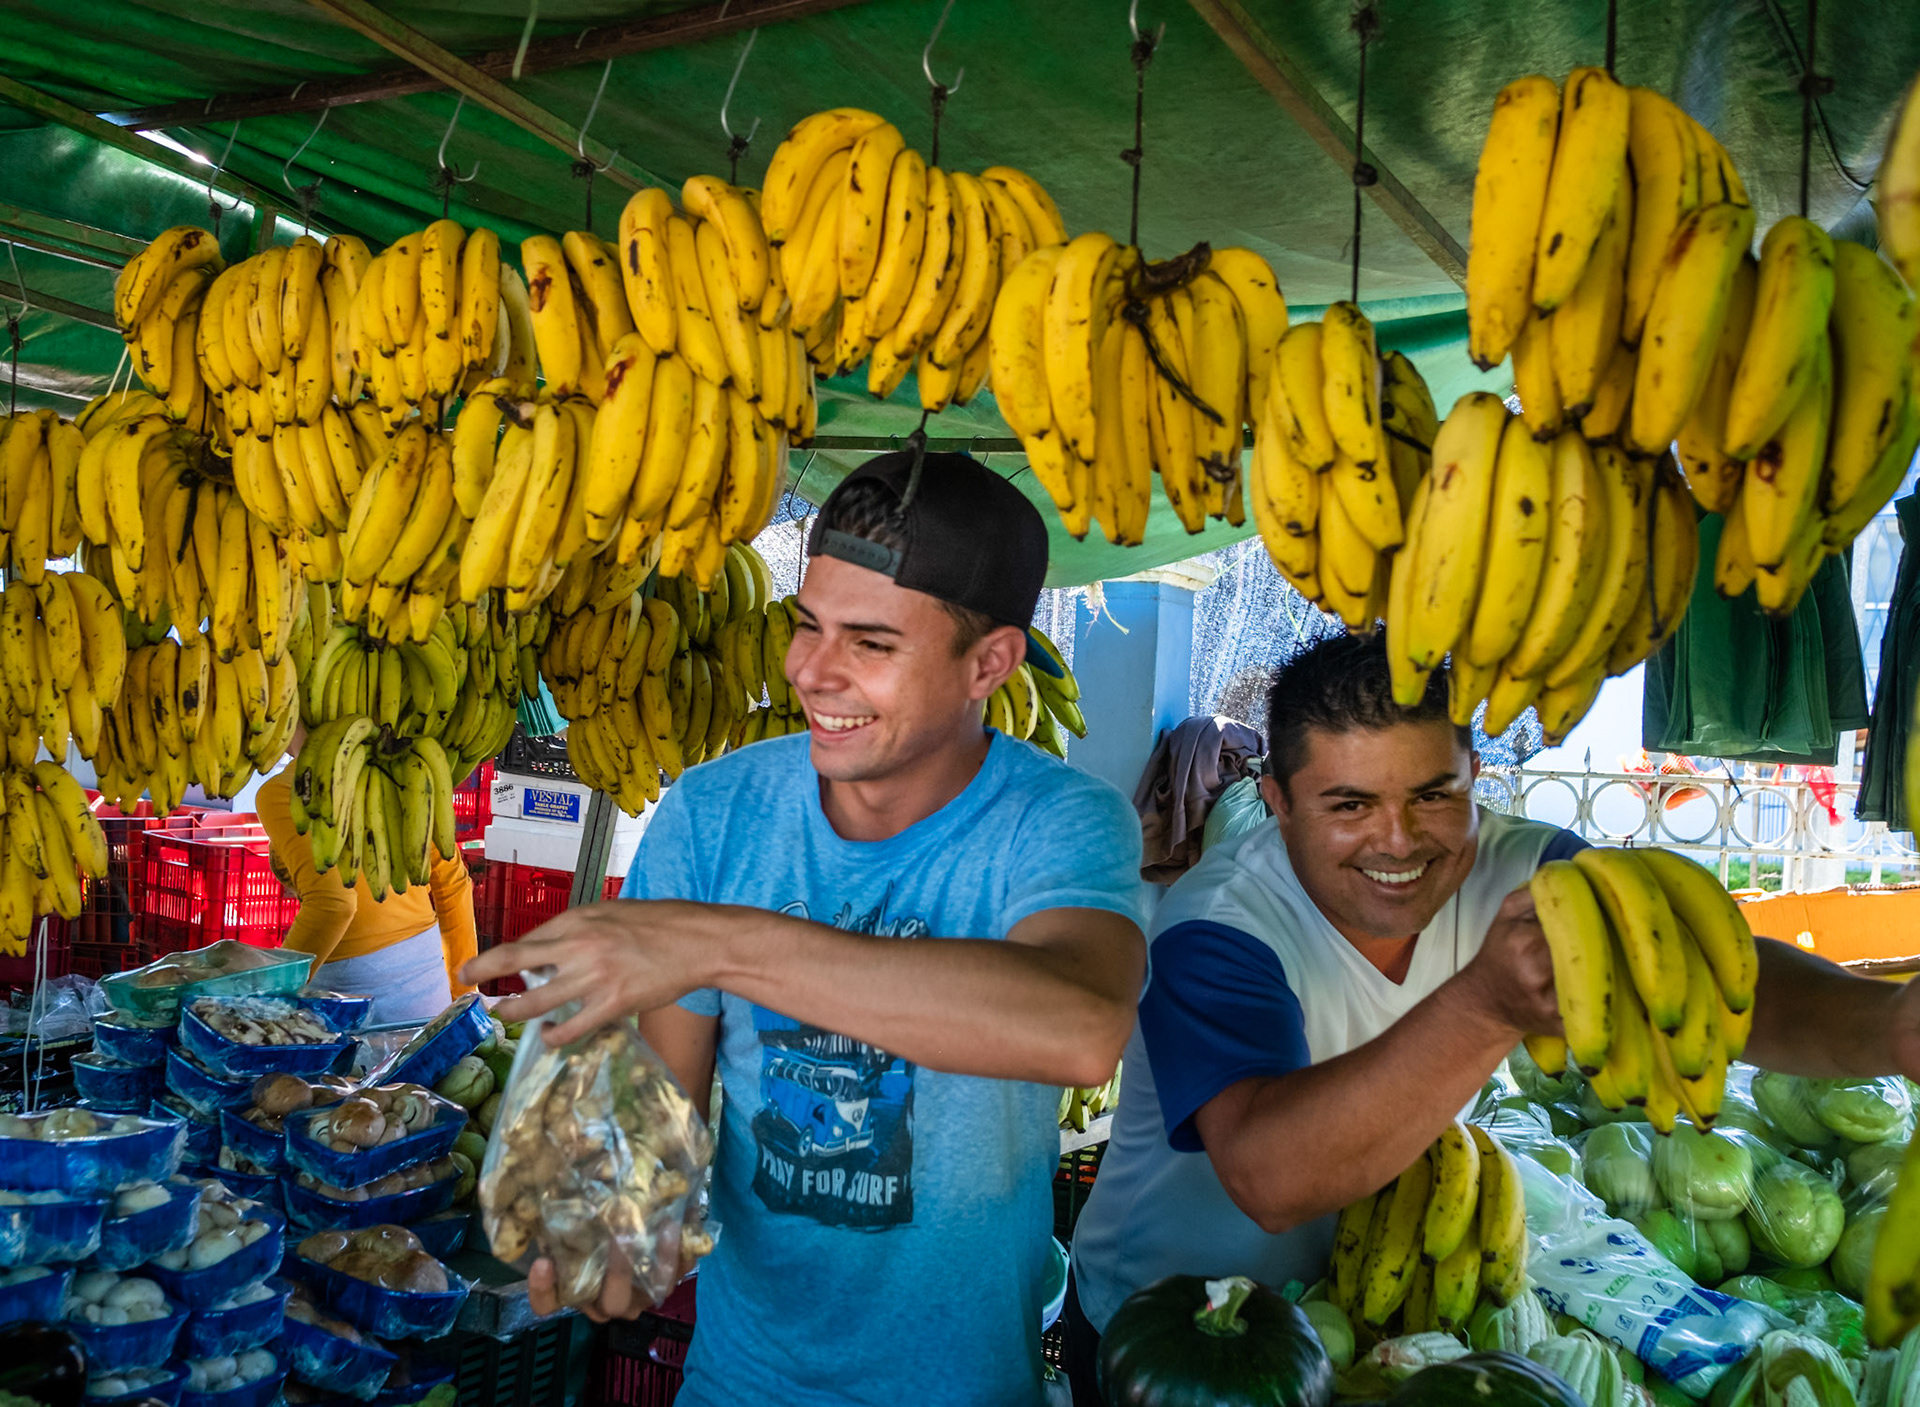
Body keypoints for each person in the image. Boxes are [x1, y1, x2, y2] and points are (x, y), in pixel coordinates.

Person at [1062, 633, 1920, 1406]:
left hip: (1348, 1313)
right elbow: (1269, 1176)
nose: (1398, 841)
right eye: (1349, 805)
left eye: (1433, 795)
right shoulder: (1221, 927)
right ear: (1279, 802)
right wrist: (1484, 1005)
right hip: (1173, 1336)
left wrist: (1889, 1024)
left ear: (1475, 774)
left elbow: (1693, 977)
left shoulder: (1522, 868)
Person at [465, 451, 1150, 1407]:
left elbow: (1077, 1026)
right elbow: (664, 1110)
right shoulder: (714, 813)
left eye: (871, 643)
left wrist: (719, 942)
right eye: (807, 625)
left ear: (989, 663)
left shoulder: (1057, 822)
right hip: (739, 1383)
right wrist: (624, 1222)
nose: (811, 671)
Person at [256, 735, 478, 1026]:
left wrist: (272, 995)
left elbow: (333, 905)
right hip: (427, 983)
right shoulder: (407, 768)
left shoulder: (283, 790)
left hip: (345, 990)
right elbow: (453, 883)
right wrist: (464, 994)